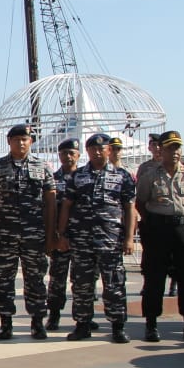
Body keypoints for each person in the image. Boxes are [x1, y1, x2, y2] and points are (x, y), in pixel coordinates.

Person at [56, 133, 136, 343]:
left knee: (114, 284)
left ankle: (117, 327)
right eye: (93, 149)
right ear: (87, 151)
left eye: (102, 149)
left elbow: (129, 208)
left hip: (110, 240)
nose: (97, 152)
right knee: (81, 285)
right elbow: (66, 206)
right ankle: (82, 325)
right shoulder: (77, 176)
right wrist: (62, 234)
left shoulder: (122, 176)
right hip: (81, 240)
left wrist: (129, 238)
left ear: (109, 150)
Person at [0, 124, 56, 340]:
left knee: (35, 279)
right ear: (9, 142)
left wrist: (50, 234)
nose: (21, 143)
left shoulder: (42, 166)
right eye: (16, 139)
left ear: (31, 141)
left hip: (33, 234)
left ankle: (37, 322)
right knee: (3, 279)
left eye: (25, 139)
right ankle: (5, 323)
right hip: (5, 234)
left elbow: (50, 202)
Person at [135, 130, 184, 342]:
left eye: (177, 147)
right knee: (154, 277)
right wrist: (154, 222)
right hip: (158, 229)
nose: (174, 152)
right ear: (161, 150)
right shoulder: (150, 175)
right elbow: (140, 203)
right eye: (170, 148)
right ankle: (151, 324)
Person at [46, 137, 81, 331]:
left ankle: (82, 316)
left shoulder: (85, 177)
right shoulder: (53, 179)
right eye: (64, 153)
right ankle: (54, 315)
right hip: (59, 237)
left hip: (81, 237)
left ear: (78, 155)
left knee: (82, 280)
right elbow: (47, 208)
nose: (68, 156)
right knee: (57, 279)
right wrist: (53, 236)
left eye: (71, 153)